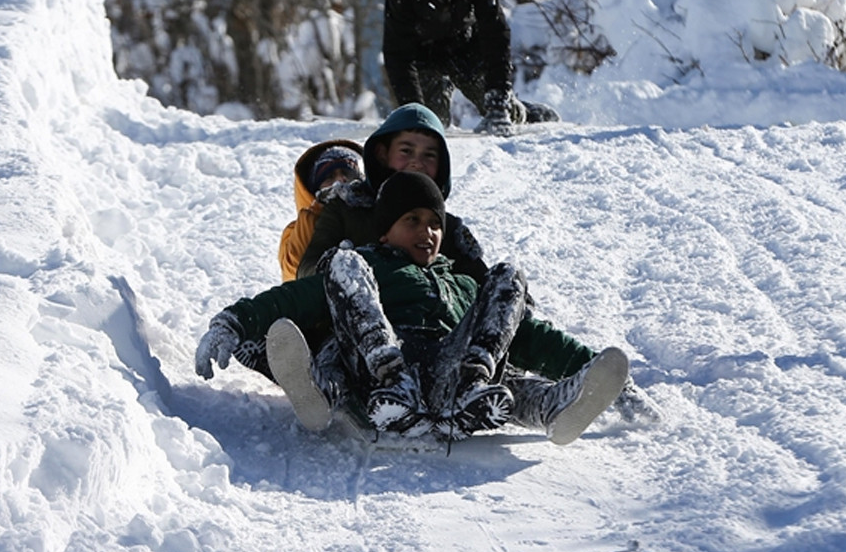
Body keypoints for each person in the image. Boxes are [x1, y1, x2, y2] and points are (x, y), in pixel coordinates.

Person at [196, 170, 636, 443]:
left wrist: (594, 369)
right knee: (342, 266)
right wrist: (233, 322)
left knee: (507, 280)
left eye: (434, 225)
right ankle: (322, 391)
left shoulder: (461, 282)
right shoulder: (370, 262)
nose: (427, 233)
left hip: (458, 381)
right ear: (385, 231)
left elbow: (524, 336)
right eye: (413, 222)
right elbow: (297, 296)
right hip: (380, 376)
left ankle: (557, 405)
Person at [381, 0, 559, 133]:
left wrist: (498, 101)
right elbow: (397, 53)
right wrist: (412, 112)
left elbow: (494, 31)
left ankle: (528, 113)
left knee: (505, 114)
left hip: (466, 49)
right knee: (430, 125)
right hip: (423, 58)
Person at [297, 102, 489, 284]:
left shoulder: (442, 227)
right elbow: (306, 270)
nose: (417, 163)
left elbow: (483, 285)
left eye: (429, 155)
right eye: (406, 151)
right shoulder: (347, 211)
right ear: (382, 154)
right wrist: (344, 269)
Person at [278, 140, 363, 282]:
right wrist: (316, 213)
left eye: (347, 173)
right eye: (329, 177)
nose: (340, 181)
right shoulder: (298, 228)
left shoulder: (374, 214)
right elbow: (294, 270)